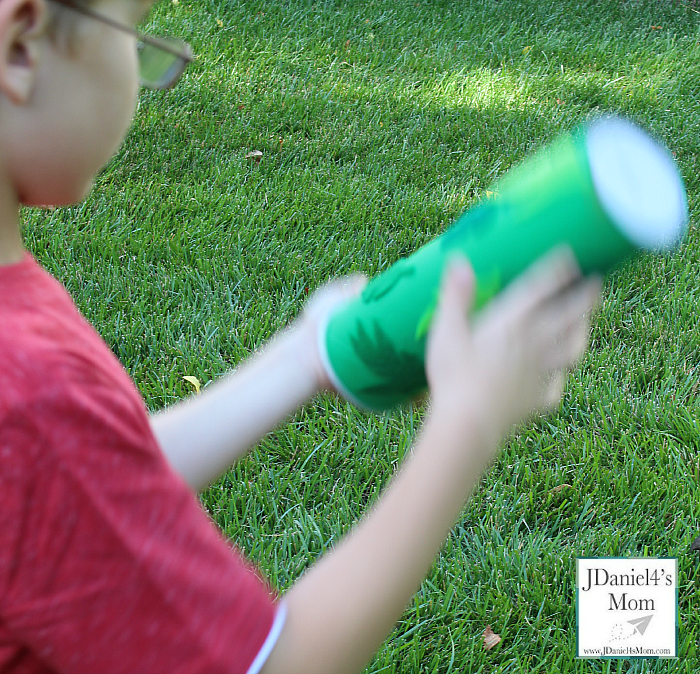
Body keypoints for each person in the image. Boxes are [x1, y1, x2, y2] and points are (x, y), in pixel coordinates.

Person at [0, 0, 602, 671]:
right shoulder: (30, 391)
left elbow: (96, 477)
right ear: (22, 48)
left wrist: (302, 355)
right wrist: (471, 422)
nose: (143, 73)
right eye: (135, 37)